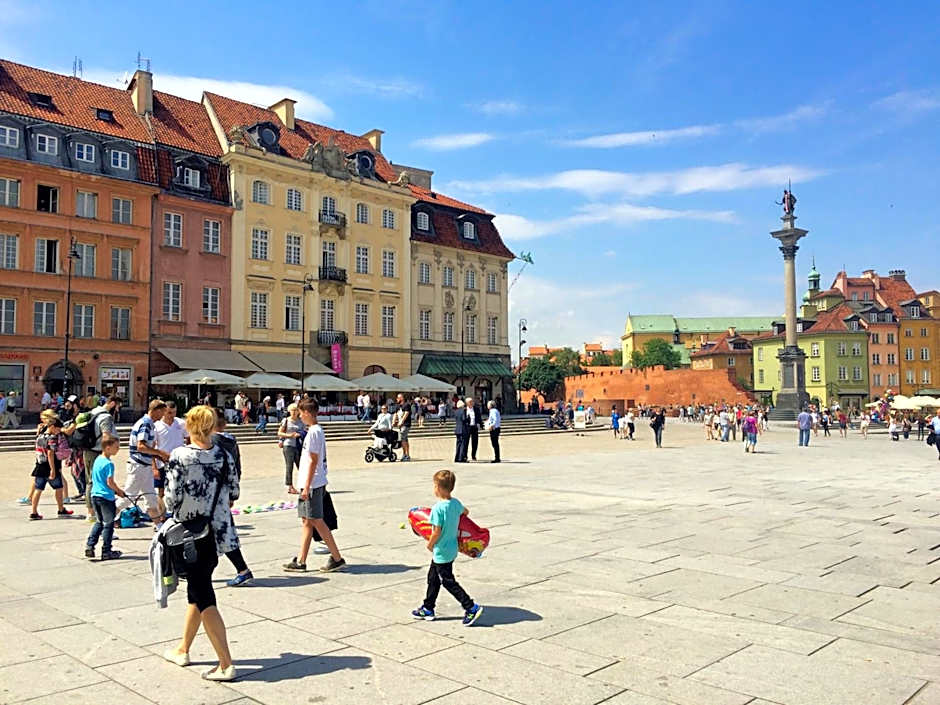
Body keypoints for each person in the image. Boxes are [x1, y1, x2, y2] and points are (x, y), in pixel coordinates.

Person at [162, 406, 237, 682]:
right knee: (198, 588)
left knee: (204, 596)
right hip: (217, 533)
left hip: (190, 534)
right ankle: (183, 649)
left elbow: (171, 498)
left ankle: (226, 663)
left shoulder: (180, 457)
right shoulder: (223, 454)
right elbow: (235, 491)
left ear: (191, 427)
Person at [411, 470, 483, 626]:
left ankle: (470, 606)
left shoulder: (438, 508)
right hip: (451, 547)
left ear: (439, 488)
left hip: (441, 550)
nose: (434, 488)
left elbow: (436, 531)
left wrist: (430, 544)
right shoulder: (455, 503)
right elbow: (466, 512)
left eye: (435, 485)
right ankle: (428, 607)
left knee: (448, 581)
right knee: (433, 578)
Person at [283, 398, 346, 573]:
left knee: (316, 520)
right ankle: (301, 560)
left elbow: (313, 461)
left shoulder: (314, 433)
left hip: (312, 484)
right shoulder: (315, 431)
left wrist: (306, 487)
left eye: (302, 413)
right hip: (312, 482)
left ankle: (337, 557)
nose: (300, 416)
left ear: (309, 413)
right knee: (307, 521)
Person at [212, 409, 254, 587]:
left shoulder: (212, 441)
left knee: (220, 534)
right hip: (223, 493)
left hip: (210, 495)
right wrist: (232, 493)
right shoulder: (231, 441)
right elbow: (236, 467)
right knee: (220, 533)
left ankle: (243, 570)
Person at [116, 400, 169, 524]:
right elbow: (141, 446)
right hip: (138, 466)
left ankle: (159, 527)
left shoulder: (148, 423)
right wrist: (160, 453)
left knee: (150, 498)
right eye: (162, 412)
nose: (163, 416)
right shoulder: (146, 424)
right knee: (128, 498)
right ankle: (105, 524)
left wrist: (158, 456)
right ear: (156, 410)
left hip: (143, 466)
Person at [85, 435, 126, 560]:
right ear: (108, 448)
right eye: (116, 447)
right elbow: (110, 482)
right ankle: (106, 550)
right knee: (108, 523)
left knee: (99, 521)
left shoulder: (98, 459)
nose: (118, 449)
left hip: (95, 495)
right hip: (106, 497)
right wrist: (119, 491)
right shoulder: (109, 464)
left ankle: (90, 546)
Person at [81, 395, 120, 518]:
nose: (118, 410)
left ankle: (90, 511)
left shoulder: (93, 411)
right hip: (97, 451)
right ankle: (92, 513)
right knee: (94, 482)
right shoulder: (106, 417)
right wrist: (106, 454)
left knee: (89, 480)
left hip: (88, 449)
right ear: (113, 404)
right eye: (118, 406)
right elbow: (106, 436)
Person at [30, 415, 73, 520]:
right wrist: (53, 469)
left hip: (39, 465)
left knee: (38, 489)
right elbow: (50, 453)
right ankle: (61, 509)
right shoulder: (52, 438)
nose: (59, 431)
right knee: (59, 488)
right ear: (53, 427)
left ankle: (34, 512)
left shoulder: (40, 436)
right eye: (58, 429)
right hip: (50, 466)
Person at [155, 401, 188, 502]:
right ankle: (161, 515)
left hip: (179, 462)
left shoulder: (181, 423)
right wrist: (154, 468)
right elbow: (152, 447)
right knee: (162, 490)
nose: (172, 415)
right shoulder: (156, 425)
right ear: (164, 412)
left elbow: (188, 439)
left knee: (180, 488)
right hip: (162, 463)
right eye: (169, 412)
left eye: (174, 412)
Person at [278, 403, 305, 494]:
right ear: (289, 411)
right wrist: (289, 435)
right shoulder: (286, 420)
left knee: (301, 466)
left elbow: (304, 431)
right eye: (292, 410)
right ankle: (290, 486)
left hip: (298, 445)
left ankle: (304, 484)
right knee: (289, 466)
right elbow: (280, 433)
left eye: (296, 410)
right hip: (288, 445)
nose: (294, 412)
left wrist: (300, 434)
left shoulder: (301, 421)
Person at [394, 393, 412, 461]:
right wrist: (393, 422)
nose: (397, 399)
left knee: (402, 438)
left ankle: (405, 454)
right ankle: (407, 454)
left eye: (398, 398)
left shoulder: (406, 405)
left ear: (402, 398)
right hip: (400, 425)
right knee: (405, 439)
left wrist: (401, 421)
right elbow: (395, 414)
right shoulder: (397, 406)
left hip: (406, 424)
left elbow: (406, 414)